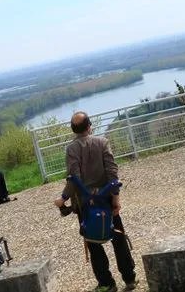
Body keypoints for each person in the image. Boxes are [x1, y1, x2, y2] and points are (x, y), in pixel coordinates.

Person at [53, 112, 137, 292]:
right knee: (118, 236)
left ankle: (107, 283)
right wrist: (116, 197)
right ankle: (129, 278)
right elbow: (112, 171)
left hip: (85, 203)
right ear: (89, 125)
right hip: (106, 198)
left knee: (93, 242)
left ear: (73, 130)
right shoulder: (102, 142)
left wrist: (63, 198)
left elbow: (73, 178)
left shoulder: (71, 149)